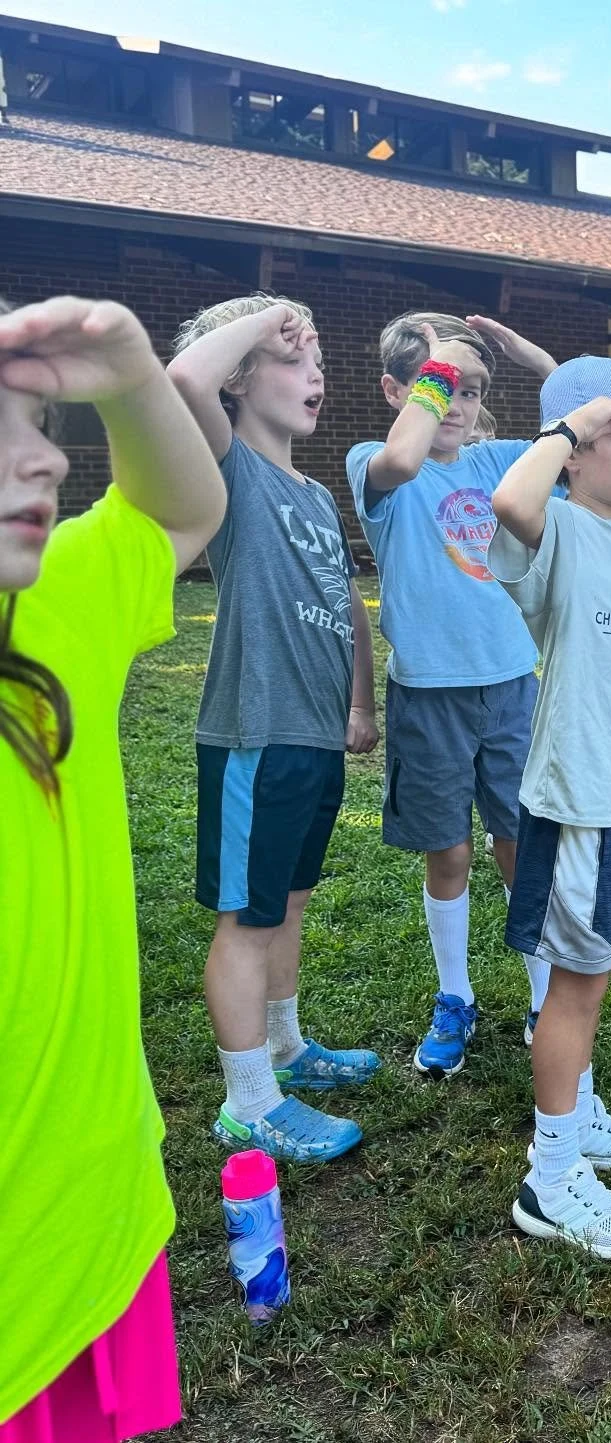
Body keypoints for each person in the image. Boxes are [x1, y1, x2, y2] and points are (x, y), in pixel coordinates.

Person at [0, 296, 225, 1435]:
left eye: (37, 417)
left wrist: (137, 377)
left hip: (87, 1219)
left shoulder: (46, 626)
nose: (43, 455)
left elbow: (183, 508)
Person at [168, 294, 380, 1162]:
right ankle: (248, 1099)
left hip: (313, 733)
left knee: (288, 901)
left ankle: (287, 1048)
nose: (315, 374)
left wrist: (361, 704)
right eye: (296, 358)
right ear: (244, 377)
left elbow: (348, 607)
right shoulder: (229, 469)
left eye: (319, 359)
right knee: (247, 919)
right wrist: (268, 319)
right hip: (254, 732)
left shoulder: (317, 494)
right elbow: (182, 376)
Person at [488, 355, 611, 1258]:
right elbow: (509, 505)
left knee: (595, 968)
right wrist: (571, 425)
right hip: (574, 797)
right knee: (578, 981)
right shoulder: (556, 529)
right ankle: (551, 1174)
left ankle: (583, 1117)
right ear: (570, 451)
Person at [345, 311, 557, 1078]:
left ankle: (542, 995)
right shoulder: (375, 459)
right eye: (442, 388)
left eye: (473, 391)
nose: (459, 405)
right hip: (428, 695)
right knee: (451, 850)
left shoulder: (499, 459)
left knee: (516, 843)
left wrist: (519, 352)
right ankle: (456, 995)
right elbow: (404, 455)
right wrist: (443, 363)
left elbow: (582, 429)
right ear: (396, 389)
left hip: (509, 686)